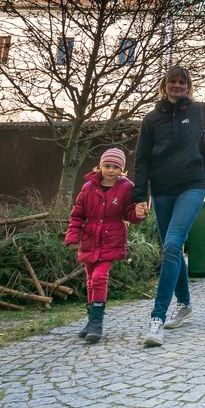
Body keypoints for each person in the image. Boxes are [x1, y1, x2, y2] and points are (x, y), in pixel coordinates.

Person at [133, 66, 205, 348]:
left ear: (189, 86)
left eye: (182, 82)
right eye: (172, 81)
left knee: (171, 244)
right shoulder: (152, 119)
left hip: (193, 185)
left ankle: (157, 319)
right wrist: (139, 196)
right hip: (162, 189)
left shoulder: (201, 111)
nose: (177, 86)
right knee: (172, 247)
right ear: (164, 85)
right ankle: (185, 304)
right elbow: (141, 160)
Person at [63, 147, 143, 344]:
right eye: (107, 166)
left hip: (111, 239)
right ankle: (91, 321)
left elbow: (129, 214)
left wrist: (139, 214)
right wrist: (73, 236)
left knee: (100, 277)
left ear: (122, 170)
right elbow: (77, 215)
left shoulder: (126, 188)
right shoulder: (88, 188)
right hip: (90, 238)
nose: (111, 170)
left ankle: (97, 324)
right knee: (90, 279)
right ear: (100, 166)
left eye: (116, 167)